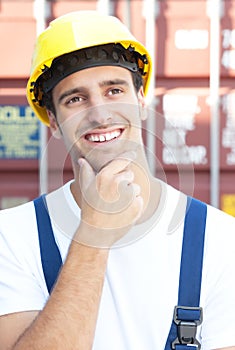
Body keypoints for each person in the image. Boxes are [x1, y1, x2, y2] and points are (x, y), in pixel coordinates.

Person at [0, 10, 235, 350]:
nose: (99, 114)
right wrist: (93, 234)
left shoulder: (221, 240)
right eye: (75, 99)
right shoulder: (11, 238)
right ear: (53, 120)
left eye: (113, 90)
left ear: (141, 100)